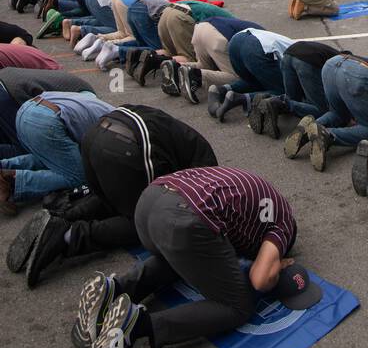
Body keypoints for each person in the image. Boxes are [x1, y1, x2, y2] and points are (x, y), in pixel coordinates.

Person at [77, 167, 314, 348]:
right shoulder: (283, 225)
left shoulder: (260, 197)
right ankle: (134, 326)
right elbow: (261, 279)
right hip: (182, 217)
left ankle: (114, 289)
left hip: (149, 203)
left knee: (187, 258)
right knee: (238, 306)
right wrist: (276, 264)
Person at [9, 105, 218, 287]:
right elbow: (193, 206)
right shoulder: (206, 172)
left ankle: (62, 217)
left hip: (96, 135)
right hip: (124, 144)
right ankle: (70, 237)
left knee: (110, 196)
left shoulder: (189, 144)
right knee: (144, 222)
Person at [0, 90, 113, 216]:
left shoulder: (94, 102)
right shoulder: (114, 124)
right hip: (45, 122)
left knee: (50, 159)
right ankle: (13, 183)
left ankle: (4, 166)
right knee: (80, 176)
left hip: (26, 112)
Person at [285, 52, 368, 171]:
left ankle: (309, 127)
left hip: (331, 65)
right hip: (356, 74)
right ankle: (328, 136)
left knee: (338, 113)